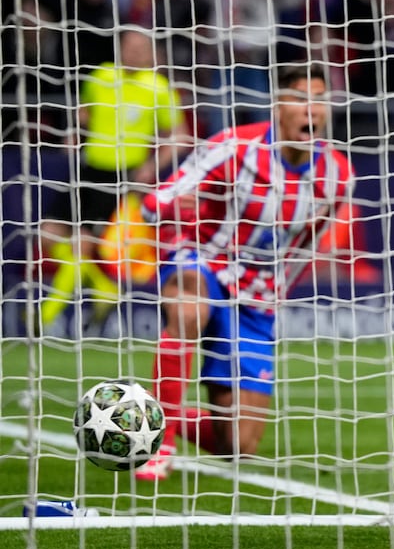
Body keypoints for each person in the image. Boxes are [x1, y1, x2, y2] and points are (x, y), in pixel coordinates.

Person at [134, 63, 353, 480]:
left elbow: (304, 248)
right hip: (203, 261)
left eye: (320, 100)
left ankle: (157, 411)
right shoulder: (234, 147)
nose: (313, 110)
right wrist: (172, 207)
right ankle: (157, 445)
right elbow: (155, 202)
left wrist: (276, 295)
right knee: (189, 308)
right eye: (301, 98)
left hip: (256, 295)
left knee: (238, 447)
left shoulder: (338, 175)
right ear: (279, 105)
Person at [38, 27, 184, 333]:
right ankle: (105, 289)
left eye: (140, 47)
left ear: (150, 53)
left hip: (122, 176)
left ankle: (43, 318)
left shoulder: (158, 87)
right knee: (47, 234)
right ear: (120, 48)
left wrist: (151, 166)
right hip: (88, 169)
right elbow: (84, 113)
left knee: (83, 245)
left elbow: (179, 137)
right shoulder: (101, 76)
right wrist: (74, 134)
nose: (133, 52)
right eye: (129, 46)